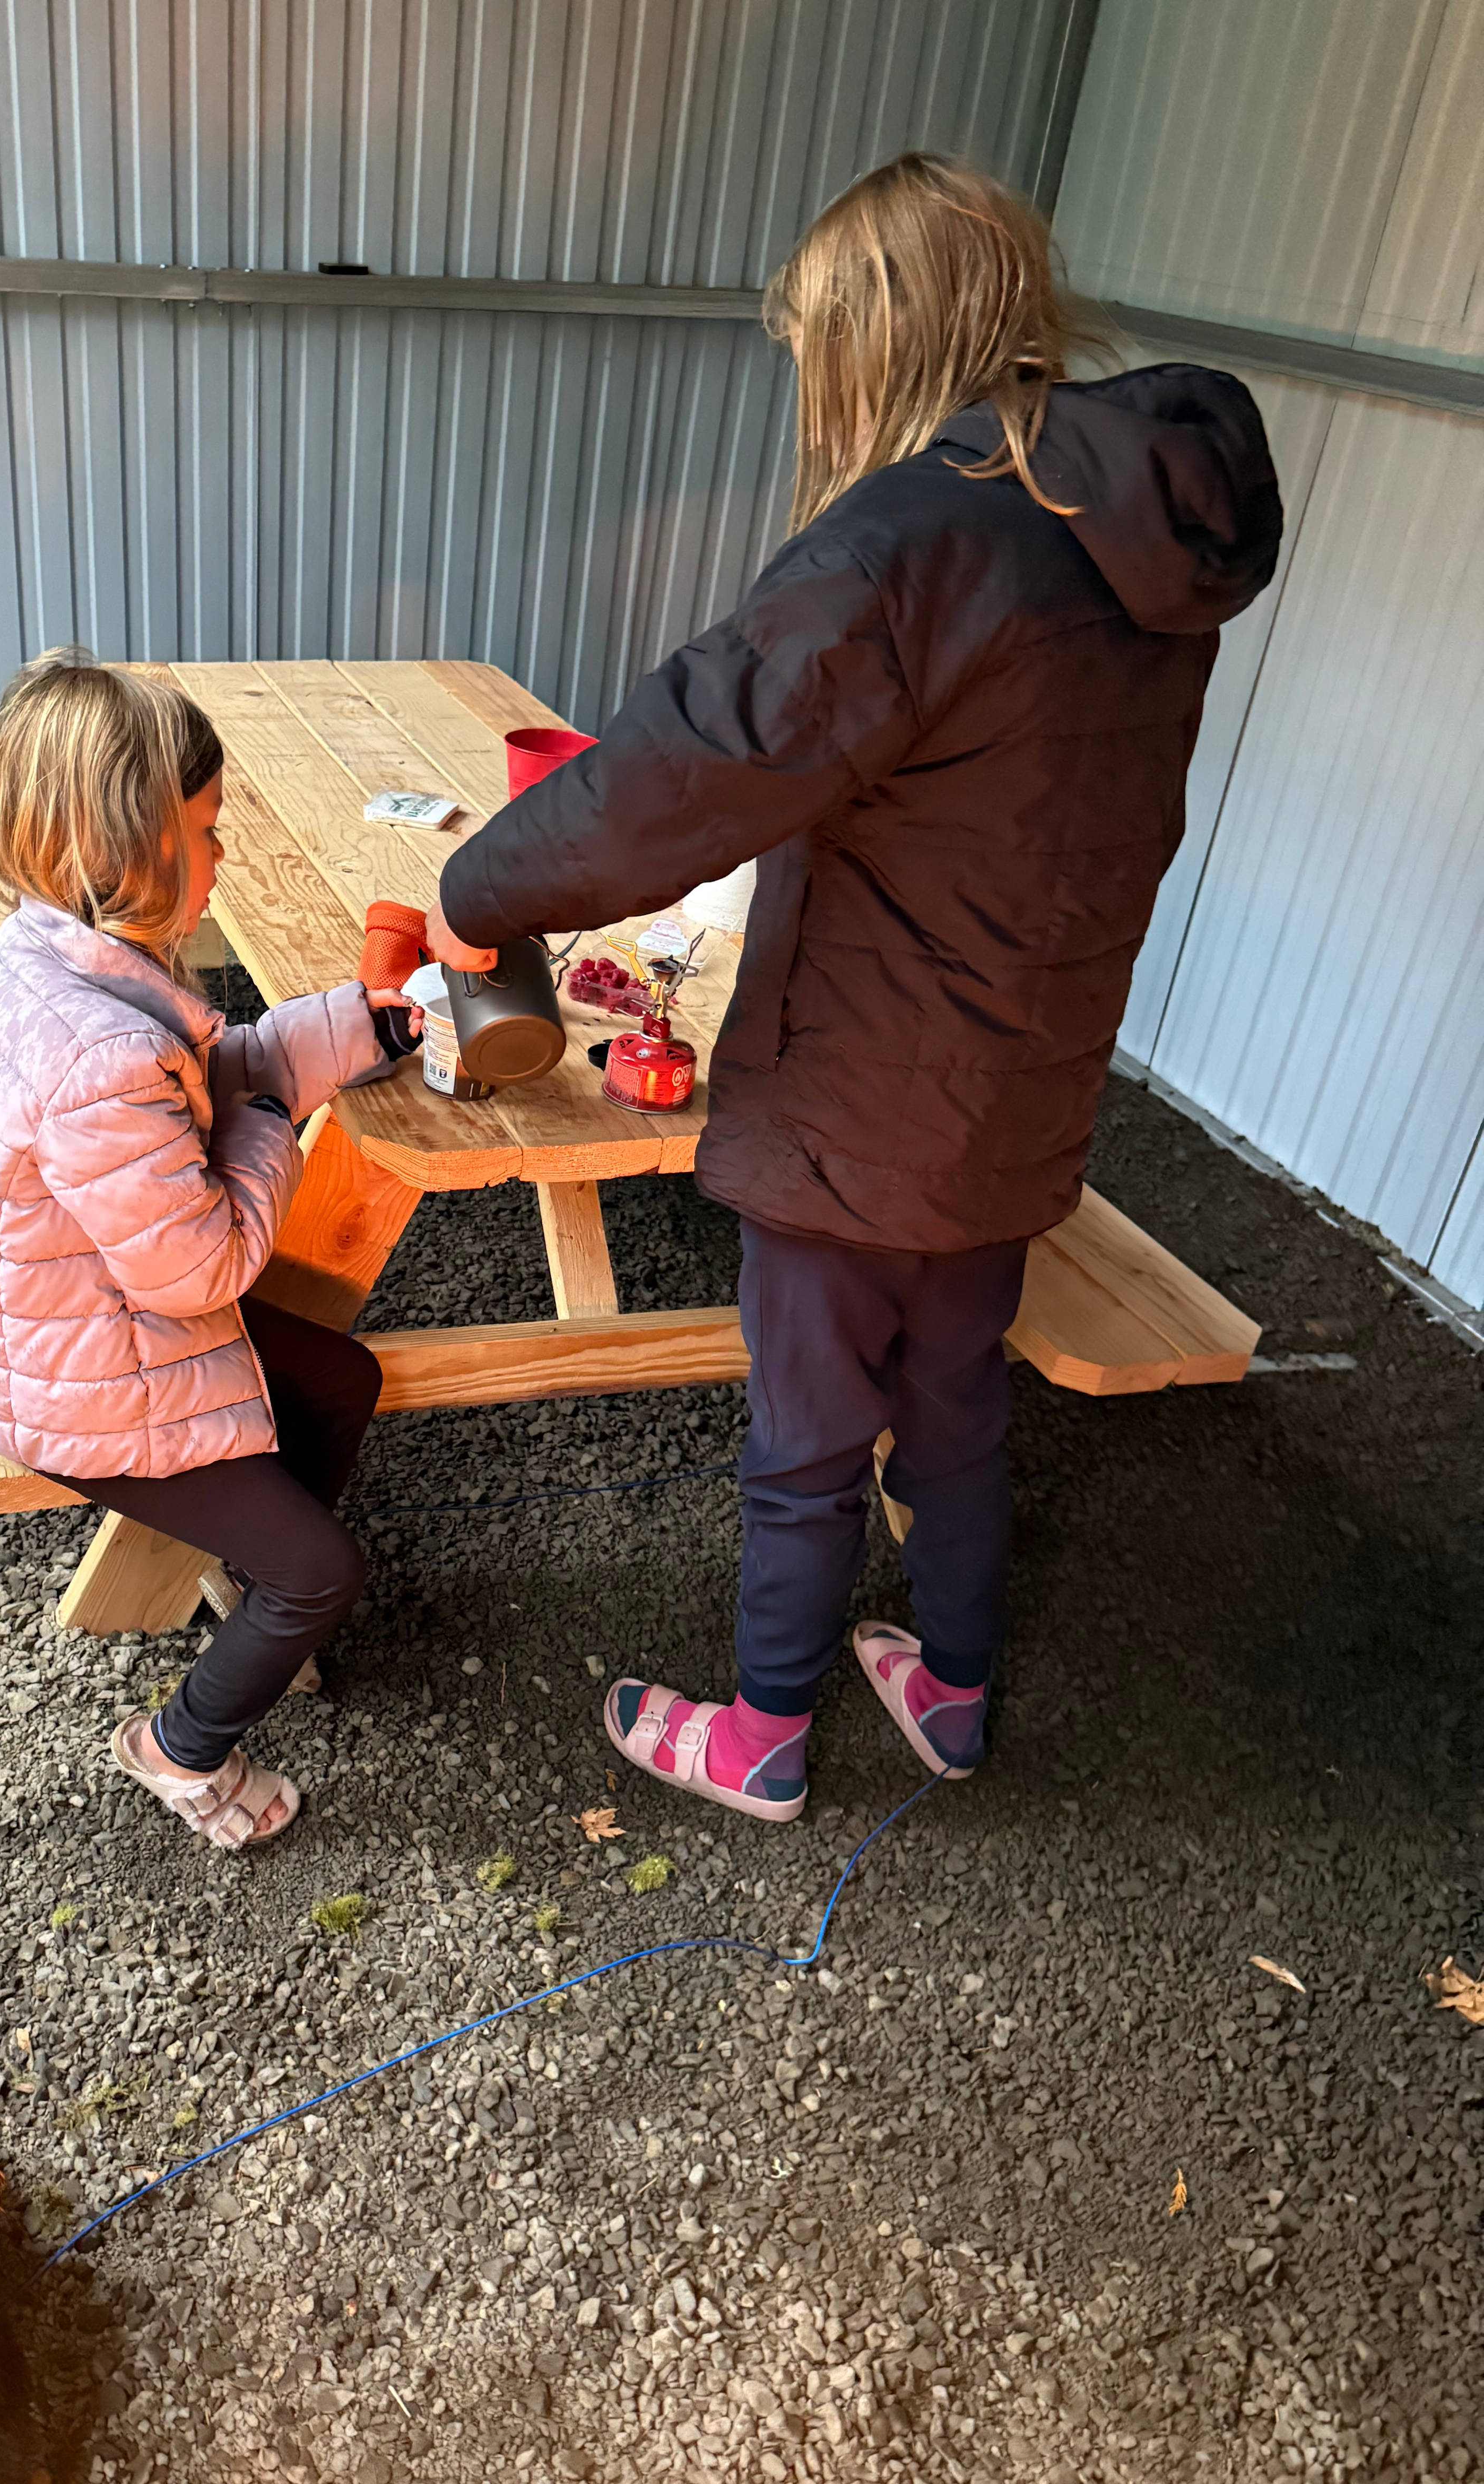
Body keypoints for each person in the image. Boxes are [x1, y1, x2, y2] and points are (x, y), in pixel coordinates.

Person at [428, 152, 1281, 1821]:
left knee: (809, 1437)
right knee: (957, 1400)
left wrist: (479, 892)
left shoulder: (905, 543)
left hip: (862, 1097)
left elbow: (685, 771)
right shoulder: (1131, 548)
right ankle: (950, 1690)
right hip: (1020, 1087)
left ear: (877, 341)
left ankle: (762, 1730)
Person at [0, 651, 420, 1848]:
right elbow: (202, 1267)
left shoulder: (66, 956)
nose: (223, 856)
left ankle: (246, 1572)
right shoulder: (97, 1056)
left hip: (89, 1316)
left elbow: (222, 1068)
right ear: (128, 852)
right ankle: (180, 1746)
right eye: (207, 832)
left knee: (342, 1380)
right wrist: (271, 1128)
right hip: (72, 1379)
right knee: (326, 1570)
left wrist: (361, 1029)